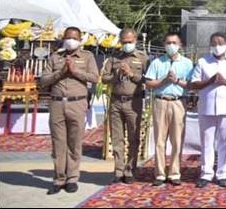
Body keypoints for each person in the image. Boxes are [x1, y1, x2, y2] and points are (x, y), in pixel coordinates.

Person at [40, 26, 99, 195]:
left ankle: (72, 178)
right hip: (57, 103)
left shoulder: (87, 57)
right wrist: (61, 72)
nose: (70, 40)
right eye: (68, 37)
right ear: (63, 39)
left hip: (77, 103)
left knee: (74, 142)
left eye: (74, 38)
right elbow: (44, 80)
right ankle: (59, 178)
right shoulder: (55, 57)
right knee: (58, 143)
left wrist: (75, 71)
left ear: (80, 40)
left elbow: (94, 77)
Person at [189, 32, 226, 188]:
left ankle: (222, 173)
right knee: (206, 142)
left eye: (220, 42)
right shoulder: (203, 61)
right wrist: (210, 80)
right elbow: (194, 84)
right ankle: (206, 173)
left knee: (224, 142)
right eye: (214, 43)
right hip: (206, 107)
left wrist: (225, 82)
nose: (217, 46)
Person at [144, 32, 194, 186]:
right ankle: (159, 174)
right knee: (159, 139)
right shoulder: (157, 62)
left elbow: (191, 85)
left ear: (180, 45)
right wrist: (164, 80)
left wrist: (176, 81)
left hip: (178, 102)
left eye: (174, 42)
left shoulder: (187, 63)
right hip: (161, 101)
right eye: (168, 43)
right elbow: (149, 83)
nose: (171, 45)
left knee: (177, 139)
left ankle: (174, 173)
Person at [101, 28, 149, 184]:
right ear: (120, 42)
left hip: (133, 102)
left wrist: (131, 74)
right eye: (124, 42)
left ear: (135, 40)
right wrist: (115, 76)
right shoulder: (113, 58)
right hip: (115, 101)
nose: (127, 44)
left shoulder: (142, 58)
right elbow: (104, 78)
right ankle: (118, 170)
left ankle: (130, 170)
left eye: (130, 42)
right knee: (117, 138)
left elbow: (148, 80)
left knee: (134, 138)